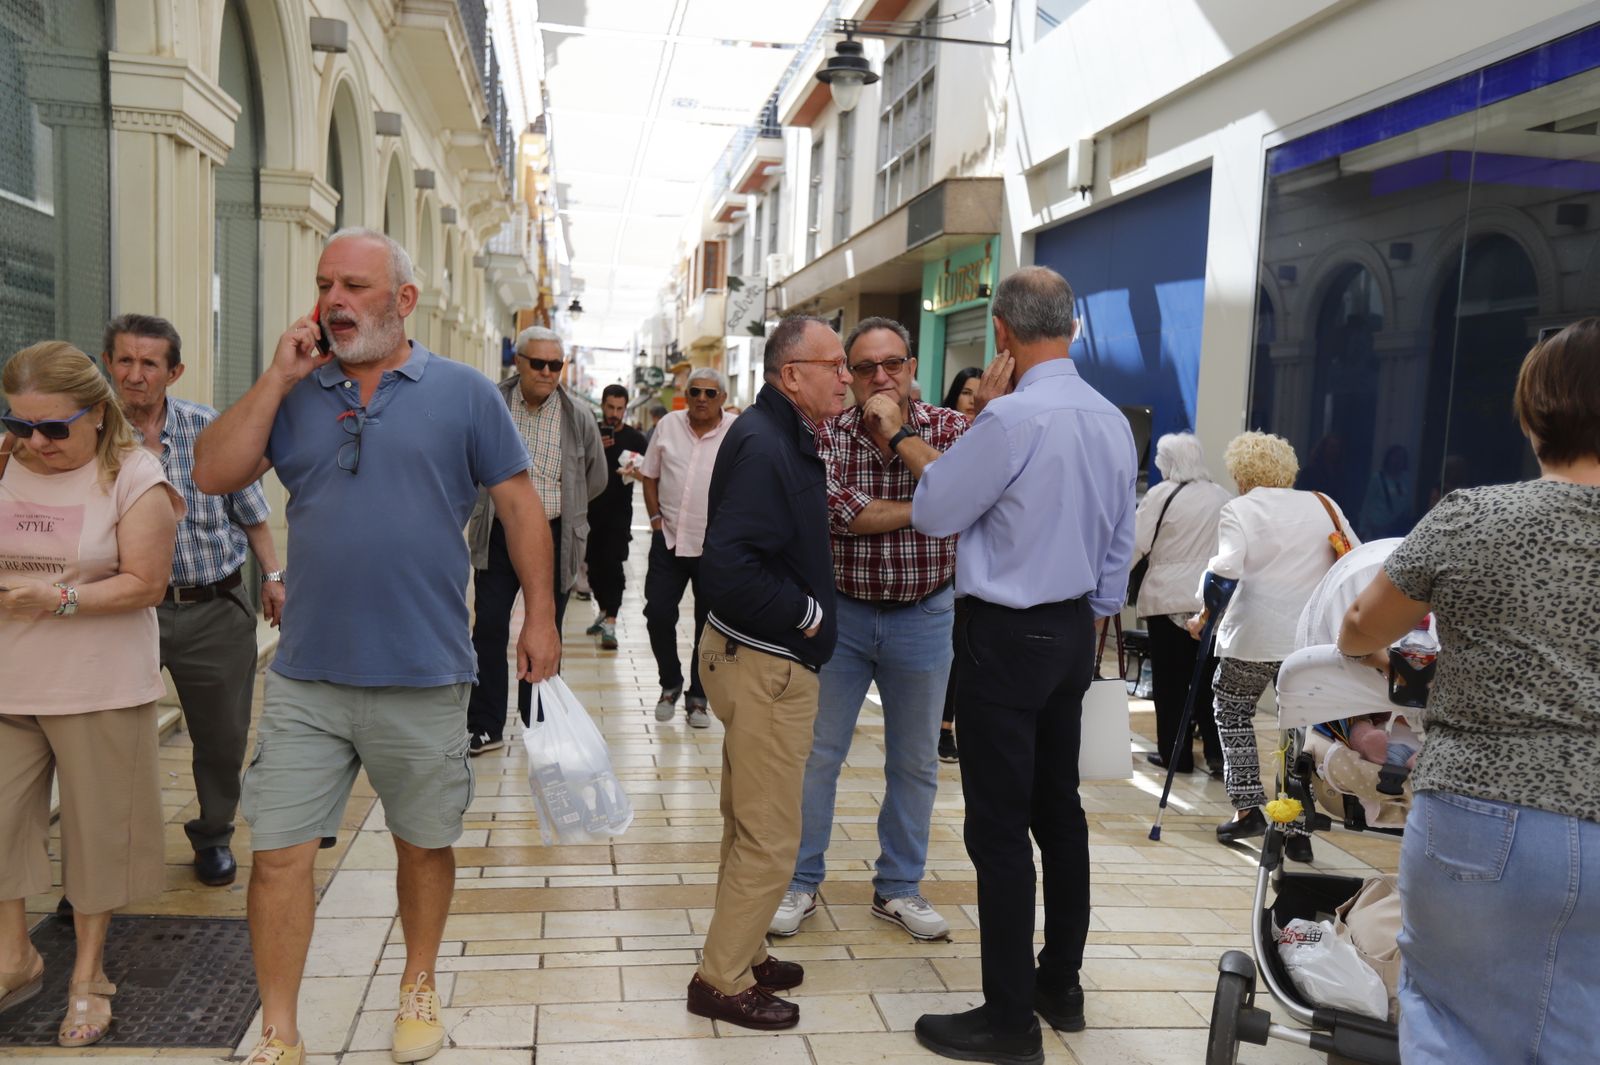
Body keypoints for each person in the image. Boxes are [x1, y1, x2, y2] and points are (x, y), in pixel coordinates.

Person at [193, 227, 561, 1065]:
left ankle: (418, 982)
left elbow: (519, 505)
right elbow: (212, 472)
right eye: (326, 283)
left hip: (425, 671)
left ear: (404, 300)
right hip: (307, 676)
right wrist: (278, 376)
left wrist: (538, 616)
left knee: (423, 843)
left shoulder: (466, 393)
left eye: (354, 285)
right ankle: (280, 1029)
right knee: (277, 853)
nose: (334, 300)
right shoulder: (295, 391)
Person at [871, 267, 1137, 1064]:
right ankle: (1061, 985)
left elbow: (937, 509)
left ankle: (1009, 1018)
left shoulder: (1013, 418)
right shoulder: (1110, 419)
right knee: (1060, 812)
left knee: (998, 826)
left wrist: (900, 434)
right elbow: (1119, 543)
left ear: (1002, 333)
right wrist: (1089, 618)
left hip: (1007, 633)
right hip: (1073, 629)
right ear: (1073, 328)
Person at [1339, 317, 1600, 1065]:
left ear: (1532, 417)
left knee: (1454, 1027)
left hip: (1476, 811)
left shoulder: (1473, 516)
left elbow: (1359, 625)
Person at [0, 342, 184, 1046]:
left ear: (97, 413)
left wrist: (60, 599)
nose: (35, 442)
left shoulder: (133, 474)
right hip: (9, 681)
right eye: (19, 424)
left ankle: (88, 977)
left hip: (98, 684)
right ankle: (14, 956)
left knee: (99, 838)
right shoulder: (4, 460)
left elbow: (147, 582)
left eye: (53, 427)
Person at [769, 317, 969, 942]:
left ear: (912, 366)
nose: (880, 377)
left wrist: (900, 434)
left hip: (925, 615)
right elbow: (842, 515)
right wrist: (935, 504)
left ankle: (899, 887)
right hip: (844, 616)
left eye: (892, 364)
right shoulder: (823, 432)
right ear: (846, 375)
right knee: (817, 755)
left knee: (915, 762)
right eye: (863, 367)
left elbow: (965, 495)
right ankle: (800, 881)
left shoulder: (951, 428)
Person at [684, 316, 850, 1030]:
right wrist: (806, 613)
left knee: (749, 820)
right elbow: (726, 567)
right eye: (834, 364)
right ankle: (720, 979)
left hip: (755, 660)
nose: (846, 376)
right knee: (772, 834)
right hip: (766, 665)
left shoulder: (778, 432)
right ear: (792, 374)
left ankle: (744, 949)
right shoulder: (766, 442)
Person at [102, 314, 285, 888]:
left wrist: (274, 577)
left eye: (149, 363)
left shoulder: (207, 428)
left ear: (174, 372)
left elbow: (252, 514)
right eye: (125, 360)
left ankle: (213, 836)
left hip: (213, 608)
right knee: (110, 741)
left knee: (222, 738)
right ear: (108, 363)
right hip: (125, 613)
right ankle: (107, 860)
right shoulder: (89, 435)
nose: (135, 374)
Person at [1190, 431, 1357, 853]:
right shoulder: (1324, 504)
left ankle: (1248, 809)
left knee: (1232, 709)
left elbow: (1225, 572)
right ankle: (1298, 828)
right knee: (1300, 728)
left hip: (1254, 639)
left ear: (1241, 474)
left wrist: (1204, 617)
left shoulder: (1239, 509)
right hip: (1309, 643)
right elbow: (1353, 558)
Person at [465, 326, 605, 754]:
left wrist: (567, 507)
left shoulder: (577, 416)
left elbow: (595, 477)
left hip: (555, 535)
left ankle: (539, 722)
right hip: (499, 532)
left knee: (546, 628)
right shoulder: (492, 404)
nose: (547, 372)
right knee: (489, 626)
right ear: (519, 362)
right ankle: (485, 724)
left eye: (555, 365)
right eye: (539, 363)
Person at [639, 368, 737, 726]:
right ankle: (671, 682)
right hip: (669, 541)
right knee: (657, 614)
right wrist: (654, 520)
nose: (701, 398)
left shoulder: (736, 431)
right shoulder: (668, 425)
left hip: (715, 548)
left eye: (710, 393)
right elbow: (649, 474)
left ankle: (698, 697)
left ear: (722, 398)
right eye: (695, 391)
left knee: (708, 626)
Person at [1131, 433, 1230, 776]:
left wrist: (1108, 584)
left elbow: (1137, 543)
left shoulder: (1162, 494)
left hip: (1167, 598)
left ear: (1169, 462)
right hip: (1210, 603)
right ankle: (1217, 756)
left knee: (1170, 682)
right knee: (1208, 681)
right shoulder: (1222, 496)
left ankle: (1176, 756)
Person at [935, 365, 983, 762]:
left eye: (979, 393)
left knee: (969, 648)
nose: (973, 400)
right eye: (967, 392)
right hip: (940, 561)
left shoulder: (997, 436)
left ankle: (955, 723)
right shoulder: (939, 434)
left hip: (980, 563)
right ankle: (942, 726)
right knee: (949, 646)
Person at [582, 384, 647, 650]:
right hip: (589, 513)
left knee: (613, 566)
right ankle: (603, 611)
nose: (614, 414)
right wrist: (595, 447)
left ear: (626, 408)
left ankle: (611, 621)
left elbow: (650, 475)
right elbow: (574, 466)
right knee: (593, 566)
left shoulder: (635, 439)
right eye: (610, 407)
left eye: (620, 409)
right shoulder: (590, 433)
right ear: (602, 405)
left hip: (618, 516)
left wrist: (635, 473)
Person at [1357, 444, 1412, 539]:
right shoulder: (1377, 478)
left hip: (1398, 527)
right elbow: (1367, 503)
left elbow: (1407, 503)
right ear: (1388, 458)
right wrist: (1362, 528)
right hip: (1378, 527)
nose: (1397, 461)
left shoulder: (1405, 479)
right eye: (1395, 457)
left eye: (1401, 458)